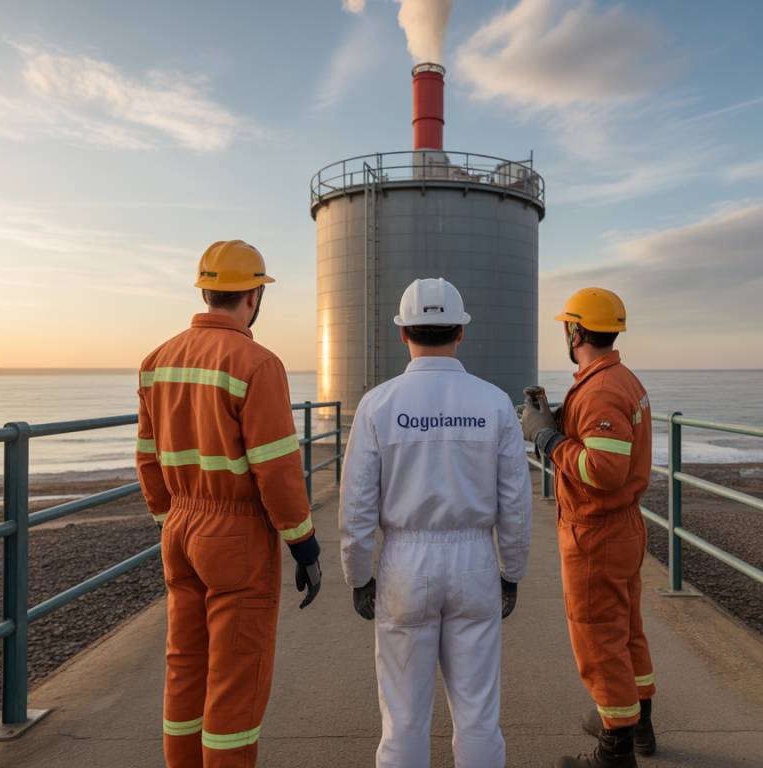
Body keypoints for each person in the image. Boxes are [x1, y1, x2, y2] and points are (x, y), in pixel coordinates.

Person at [135, 240, 322, 768]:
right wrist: (302, 542)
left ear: (206, 290)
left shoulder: (157, 361)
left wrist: (167, 519)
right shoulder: (257, 363)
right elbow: (277, 467)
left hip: (180, 527)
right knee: (237, 677)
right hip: (235, 534)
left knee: (185, 666)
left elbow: (147, 457)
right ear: (254, 296)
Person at [339, 277, 533, 768]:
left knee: (403, 718)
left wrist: (359, 575)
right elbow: (515, 500)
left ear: (403, 332)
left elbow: (357, 505)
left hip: (405, 563)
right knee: (477, 713)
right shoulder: (492, 403)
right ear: (460, 333)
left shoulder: (378, 405)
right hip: (474, 561)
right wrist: (511, 571)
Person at [521, 287, 655, 768]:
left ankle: (613, 750)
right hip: (620, 528)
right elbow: (605, 442)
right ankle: (639, 724)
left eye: (566, 326)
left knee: (599, 638)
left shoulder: (600, 389)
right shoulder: (615, 379)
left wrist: (546, 436)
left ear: (575, 331)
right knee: (626, 629)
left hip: (597, 530)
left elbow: (603, 470)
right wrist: (556, 416)